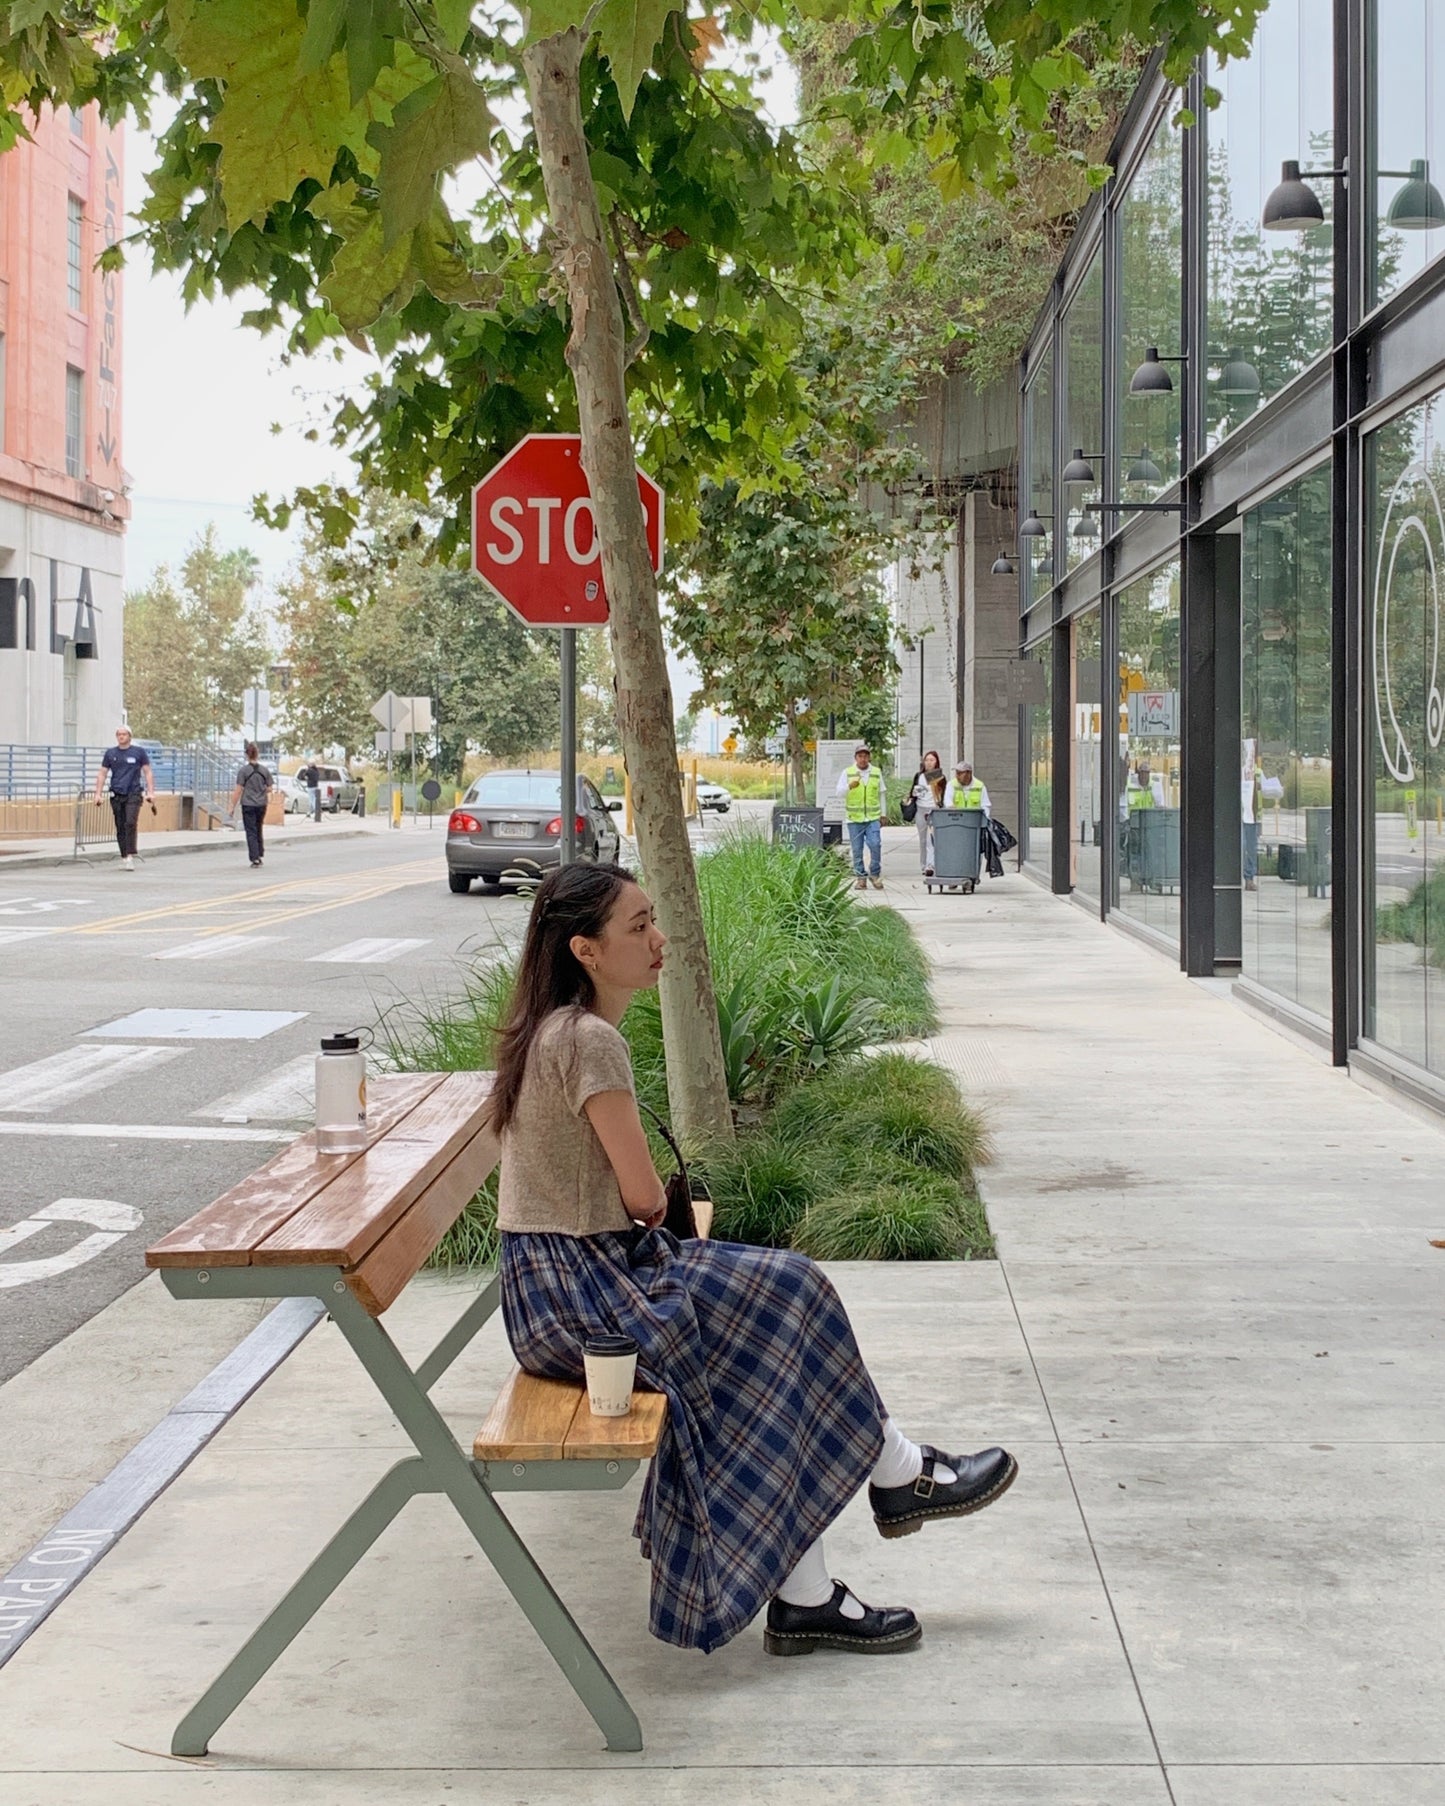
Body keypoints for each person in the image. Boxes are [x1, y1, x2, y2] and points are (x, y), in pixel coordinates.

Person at [489, 864, 1018, 1658]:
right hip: (583, 1294)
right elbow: (640, 1198)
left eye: (652, 920)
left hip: (561, 1286)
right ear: (585, 950)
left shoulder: (553, 1028)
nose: (657, 940)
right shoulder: (588, 1041)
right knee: (788, 1292)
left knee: (774, 1315)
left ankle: (818, 1584)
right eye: (637, 927)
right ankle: (894, 1478)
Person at [93, 725, 156, 869]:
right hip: (117, 794)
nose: (121, 737)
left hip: (133, 793)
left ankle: (130, 853)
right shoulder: (110, 753)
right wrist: (98, 794)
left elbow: (147, 772)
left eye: (124, 734)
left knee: (130, 822)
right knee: (120, 826)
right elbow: (102, 773)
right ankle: (125, 855)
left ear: (129, 736)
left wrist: (151, 792)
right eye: (119, 734)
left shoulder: (138, 752)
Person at [836, 742, 885, 890]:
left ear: (869, 758)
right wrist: (849, 786)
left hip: (872, 817)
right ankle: (860, 878)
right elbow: (839, 793)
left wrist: (884, 814)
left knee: (875, 844)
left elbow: (881, 793)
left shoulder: (876, 772)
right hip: (854, 818)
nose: (863, 759)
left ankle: (875, 874)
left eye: (865, 756)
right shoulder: (848, 772)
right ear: (855, 758)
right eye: (860, 756)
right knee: (857, 849)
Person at [228, 743, 274, 868]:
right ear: (257, 754)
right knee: (258, 828)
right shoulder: (264, 770)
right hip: (261, 804)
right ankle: (259, 853)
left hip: (248, 804)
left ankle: (255, 858)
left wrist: (232, 806)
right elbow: (270, 788)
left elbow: (238, 790)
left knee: (251, 831)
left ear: (246, 755)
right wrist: (261, 791)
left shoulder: (243, 771)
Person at [909, 750, 946, 876]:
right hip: (920, 808)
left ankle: (931, 865)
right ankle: (923, 864)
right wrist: (914, 793)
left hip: (933, 809)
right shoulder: (919, 776)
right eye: (927, 760)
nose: (929, 763)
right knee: (923, 839)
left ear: (936, 762)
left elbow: (943, 795)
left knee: (932, 839)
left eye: (932, 760)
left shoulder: (939, 776)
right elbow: (912, 793)